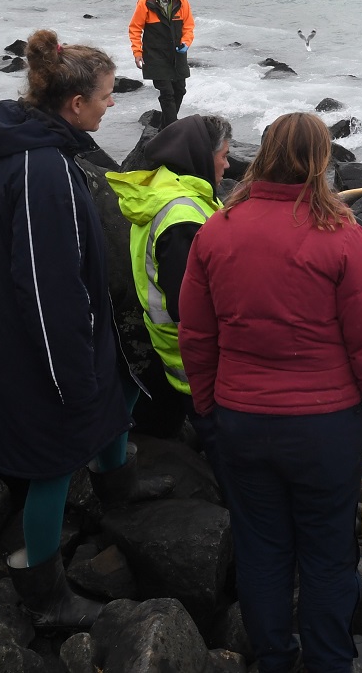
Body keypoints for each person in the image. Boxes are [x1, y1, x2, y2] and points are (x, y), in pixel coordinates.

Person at [178, 113, 362, 673]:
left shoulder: (218, 228)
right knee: (329, 553)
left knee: (262, 549)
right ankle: (329, 661)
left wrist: (208, 408)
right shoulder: (341, 234)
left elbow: (196, 335)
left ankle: (274, 660)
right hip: (324, 430)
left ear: (262, 156)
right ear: (321, 162)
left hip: (242, 420)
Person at [0, 29, 148, 629]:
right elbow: (46, 288)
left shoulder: (24, 143)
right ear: (74, 105)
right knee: (49, 465)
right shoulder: (42, 167)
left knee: (96, 412)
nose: (111, 105)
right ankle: (45, 594)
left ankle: (109, 501)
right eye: (104, 96)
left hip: (30, 338)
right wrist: (69, 374)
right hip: (38, 349)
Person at [105, 114, 233, 462]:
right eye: (223, 154)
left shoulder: (165, 190)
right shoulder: (182, 218)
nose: (227, 162)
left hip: (179, 352)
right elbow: (188, 304)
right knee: (230, 454)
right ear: (201, 157)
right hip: (197, 362)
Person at [128, 0, 195, 126]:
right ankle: (173, 128)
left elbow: (188, 26)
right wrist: (137, 52)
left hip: (177, 54)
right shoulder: (145, 3)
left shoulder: (181, 0)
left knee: (180, 90)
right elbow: (135, 28)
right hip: (155, 55)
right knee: (167, 93)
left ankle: (165, 127)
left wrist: (186, 43)